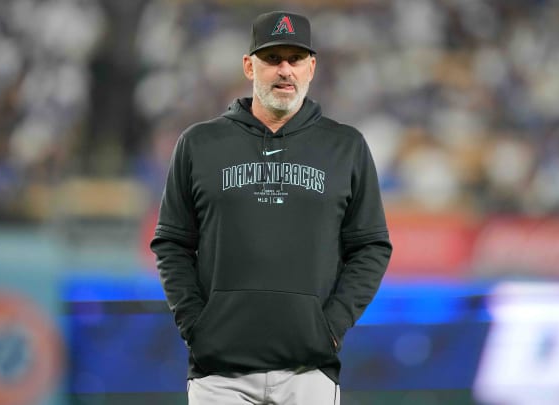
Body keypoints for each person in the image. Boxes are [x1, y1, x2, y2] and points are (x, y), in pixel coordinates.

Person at [149, 10, 392, 405]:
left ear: (311, 67)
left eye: (295, 59)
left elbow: (371, 246)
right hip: (219, 374)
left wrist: (330, 327)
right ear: (249, 66)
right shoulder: (198, 143)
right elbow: (172, 244)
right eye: (272, 58)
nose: (285, 70)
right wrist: (196, 325)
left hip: (308, 372)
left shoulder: (345, 146)